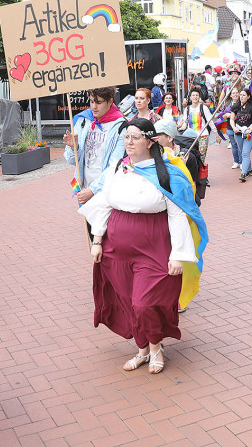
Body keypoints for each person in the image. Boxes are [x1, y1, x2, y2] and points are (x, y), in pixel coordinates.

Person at [78, 118, 207, 374]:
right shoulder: (118, 168)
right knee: (127, 300)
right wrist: (97, 241)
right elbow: (104, 204)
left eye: (135, 137)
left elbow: (178, 214)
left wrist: (178, 255)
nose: (129, 142)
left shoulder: (167, 173)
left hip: (154, 247)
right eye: (127, 137)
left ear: (150, 141)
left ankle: (156, 346)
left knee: (144, 303)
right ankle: (142, 349)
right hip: (117, 250)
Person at [63, 87, 126, 206]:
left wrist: (93, 190)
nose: (94, 107)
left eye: (99, 102)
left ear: (110, 101)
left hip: (106, 193)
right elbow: (72, 161)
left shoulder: (121, 127)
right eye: (92, 101)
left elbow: (115, 166)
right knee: (88, 224)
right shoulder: (83, 120)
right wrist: (74, 148)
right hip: (84, 190)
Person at [230, 88, 252, 182]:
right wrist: (234, 127)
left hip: (249, 133)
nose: (241, 97)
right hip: (238, 132)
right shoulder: (236, 106)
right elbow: (231, 119)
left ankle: (243, 173)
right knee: (243, 151)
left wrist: (250, 129)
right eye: (240, 95)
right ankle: (249, 169)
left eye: (243, 95)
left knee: (245, 153)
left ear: (248, 96)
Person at [181, 88, 211, 158]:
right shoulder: (187, 109)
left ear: (199, 97)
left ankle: (201, 169)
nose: (195, 97)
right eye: (193, 95)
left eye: (197, 95)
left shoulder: (203, 108)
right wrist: (180, 127)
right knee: (192, 156)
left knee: (201, 156)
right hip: (191, 137)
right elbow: (185, 122)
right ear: (190, 97)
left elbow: (210, 121)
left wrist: (216, 134)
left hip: (203, 136)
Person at [222, 88, 242, 169]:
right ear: (230, 95)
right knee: (234, 145)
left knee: (240, 145)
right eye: (233, 93)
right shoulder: (227, 105)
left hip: (240, 127)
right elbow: (222, 116)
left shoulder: (242, 103)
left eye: (237, 93)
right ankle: (236, 161)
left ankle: (241, 162)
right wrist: (226, 115)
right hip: (230, 127)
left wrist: (234, 116)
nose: (235, 94)